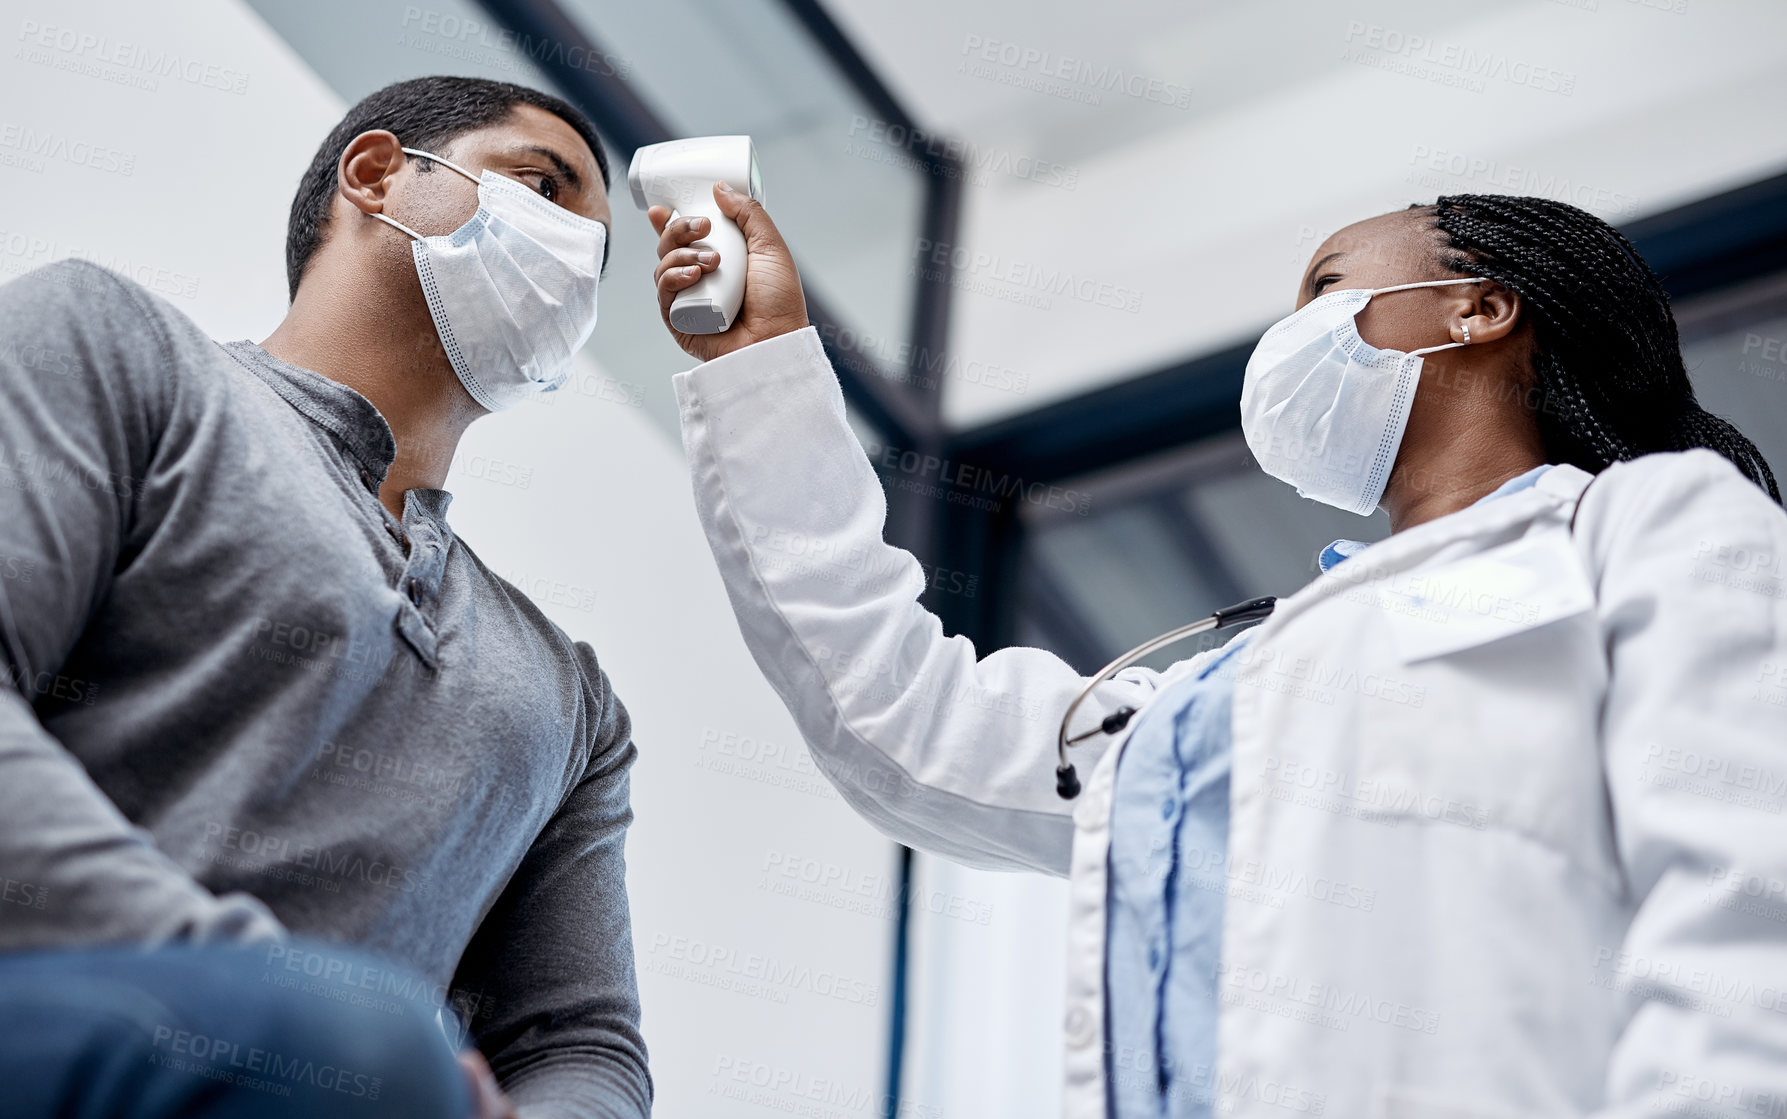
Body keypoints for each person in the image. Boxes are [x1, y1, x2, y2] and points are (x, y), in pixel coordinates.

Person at [649, 187, 1787, 1117]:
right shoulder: (1221, 698)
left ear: (1476, 309)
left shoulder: (1647, 530)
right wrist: (760, 372)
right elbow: (900, 725)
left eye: (1324, 285)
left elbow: (1747, 909)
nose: (1286, 330)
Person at [0, 77, 649, 1118]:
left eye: (598, 252)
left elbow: (579, 1039)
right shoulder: (115, 348)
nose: (575, 257)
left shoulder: (572, 703)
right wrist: (297, 1019)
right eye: (543, 188)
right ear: (377, 173)